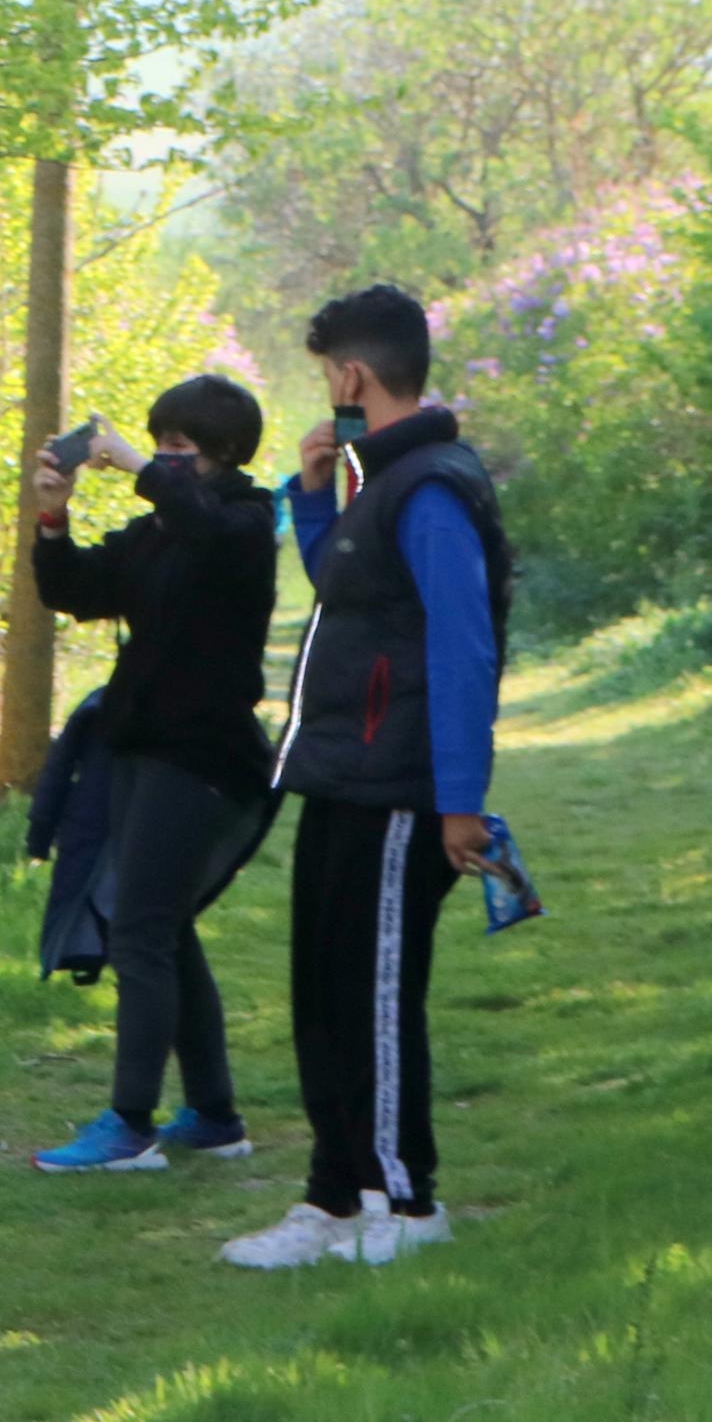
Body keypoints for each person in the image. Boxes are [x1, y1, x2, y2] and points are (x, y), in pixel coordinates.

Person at [223, 283, 515, 1273]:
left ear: (349, 375)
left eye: (326, 380)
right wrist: (311, 495)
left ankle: (405, 1197)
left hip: (399, 789)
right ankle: (335, 1198)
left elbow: (464, 651)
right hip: (339, 777)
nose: (327, 396)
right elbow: (348, 590)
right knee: (323, 990)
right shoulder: (371, 479)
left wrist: (458, 803)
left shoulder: (431, 486)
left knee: (377, 998)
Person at [21, 377, 281, 1173]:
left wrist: (137, 464)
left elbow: (206, 529)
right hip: (139, 746)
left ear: (226, 455)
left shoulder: (244, 522)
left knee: (138, 932)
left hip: (202, 757)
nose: (167, 459)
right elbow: (72, 590)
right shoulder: (158, 532)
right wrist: (53, 514)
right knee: (164, 928)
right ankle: (212, 1114)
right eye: (159, 443)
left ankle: (129, 1125)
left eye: (182, 449)